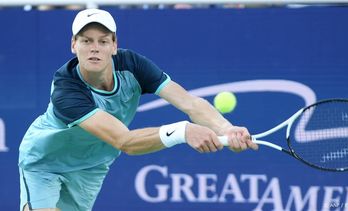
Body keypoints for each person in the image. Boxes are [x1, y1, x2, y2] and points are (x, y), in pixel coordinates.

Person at [18, 8, 258, 211]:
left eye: (103, 41)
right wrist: (183, 131)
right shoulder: (66, 89)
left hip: (91, 166)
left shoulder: (133, 65)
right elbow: (124, 141)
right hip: (45, 162)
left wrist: (227, 129)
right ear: (73, 45)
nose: (95, 48)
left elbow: (190, 103)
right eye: (86, 40)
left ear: (114, 46)